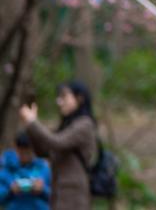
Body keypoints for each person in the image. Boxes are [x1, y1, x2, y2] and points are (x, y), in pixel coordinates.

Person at [18, 81, 98, 210]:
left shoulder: (84, 125)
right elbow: (43, 151)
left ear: (79, 98)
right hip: (58, 190)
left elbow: (56, 142)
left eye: (64, 97)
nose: (59, 102)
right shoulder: (68, 125)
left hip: (73, 193)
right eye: (59, 97)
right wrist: (30, 126)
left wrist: (33, 122)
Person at [0, 131, 52, 210]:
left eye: (28, 152)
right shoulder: (7, 170)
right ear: (16, 149)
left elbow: (57, 198)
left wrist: (43, 190)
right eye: (21, 152)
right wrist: (10, 191)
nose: (25, 156)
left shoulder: (43, 168)